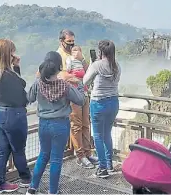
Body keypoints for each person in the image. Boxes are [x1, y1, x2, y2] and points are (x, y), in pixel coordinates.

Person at [26, 51, 86, 195]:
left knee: (43, 155)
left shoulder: (38, 84)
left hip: (44, 125)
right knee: (56, 159)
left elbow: (29, 98)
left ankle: (32, 188)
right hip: (60, 125)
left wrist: (37, 80)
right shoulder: (65, 86)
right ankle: (52, 192)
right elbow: (80, 100)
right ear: (59, 66)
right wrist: (79, 86)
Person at [0, 39, 31, 194]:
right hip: (13, 114)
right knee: (18, 149)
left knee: (3, 149)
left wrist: (14, 67)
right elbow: (22, 88)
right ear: (6, 54)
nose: (14, 54)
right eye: (12, 51)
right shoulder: (7, 75)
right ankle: (27, 179)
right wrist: (17, 67)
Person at [56, 29, 98, 169]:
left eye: (73, 41)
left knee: (86, 123)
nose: (71, 44)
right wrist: (74, 78)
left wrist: (82, 59)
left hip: (84, 93)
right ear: (61, 41)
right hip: (71, 94)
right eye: (68, 42)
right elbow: (60, 75)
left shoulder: (76, 52)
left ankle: (88, 152)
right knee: (76, 125)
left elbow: (87, 70)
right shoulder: (59, 55)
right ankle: (80, 156)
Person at [83, 40, 121, 178]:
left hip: (99, 102)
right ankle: (109, 164)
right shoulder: (117, 66)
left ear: (100, 52)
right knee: (107, 134)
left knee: (98, 135)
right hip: (114, 103)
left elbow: (84, 81)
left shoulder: (97, 65)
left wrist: (91, 66)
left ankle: (103, 168)